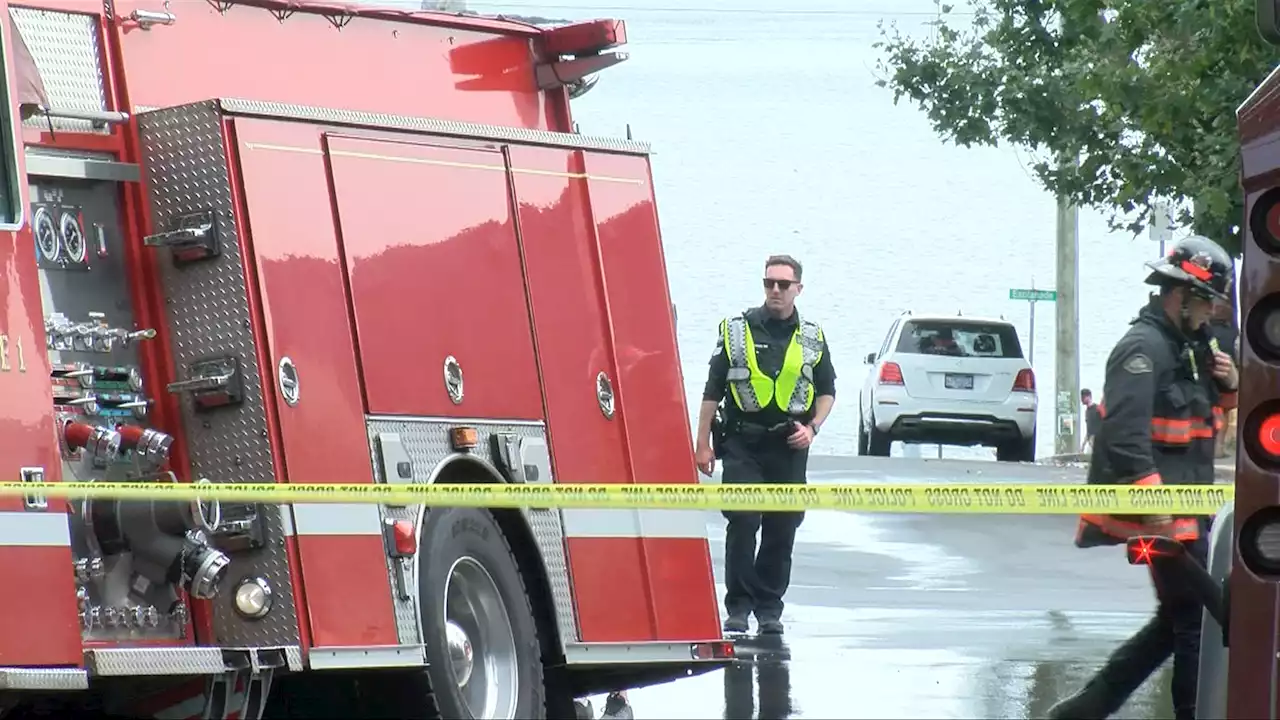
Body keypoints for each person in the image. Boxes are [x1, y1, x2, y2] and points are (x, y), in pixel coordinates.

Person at [1046, 236, 1239, 720]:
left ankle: (1085, 710)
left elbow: (1208, 420)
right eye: (1208, 300)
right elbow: (1126, 438)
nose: (1214, 311)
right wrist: (1158, 514)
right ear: (1182, 294)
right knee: (1197, 619)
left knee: (1175, 619)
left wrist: (1232, 384)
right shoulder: (1142, 348)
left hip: (1188, 513)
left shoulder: (1191, 347)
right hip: (1158, 517)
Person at [694, 254, 836, 635]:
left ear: (798, 289)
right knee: (743, 519)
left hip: (790, 446)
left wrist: (813, 428)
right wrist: (702, 443)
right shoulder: (736, 330)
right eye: (769, 283)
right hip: (743, 441)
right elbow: (712, 390)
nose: (775, 290)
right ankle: (738, 607)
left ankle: (769, 609)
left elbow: (827, 392)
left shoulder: (812, 336)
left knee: (782, 524)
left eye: (783, 285)